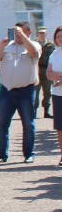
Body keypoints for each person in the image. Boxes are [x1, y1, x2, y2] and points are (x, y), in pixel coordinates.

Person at [0, 21, 41, 164]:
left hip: (25, 90)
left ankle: (29, 154)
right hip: (7, 90)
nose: (18, 36)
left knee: (28, 123)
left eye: (21, 32)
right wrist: (2, 44)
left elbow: (34, 53)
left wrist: (23, 37)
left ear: (29, 32)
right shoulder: (7, 46)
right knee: (2, 123)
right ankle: (2, 154)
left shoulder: (33, 45)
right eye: (16, 33)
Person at [44, 27, 62, 166]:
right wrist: (58, 77)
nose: (60, 39)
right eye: (57, 37)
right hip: (57, 94)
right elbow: (48, 74)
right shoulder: (54, 54)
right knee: (60, 127)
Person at [37, 27, 54, 118]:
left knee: (47, 91)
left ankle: (46, 111)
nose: (41, 34)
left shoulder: (50, 45)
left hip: (47, 69)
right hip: (37, 69)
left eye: (43, 33)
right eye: (40, 32)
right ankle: (34, 110)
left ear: (46, 34)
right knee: (35, 91)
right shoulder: (34, 43)